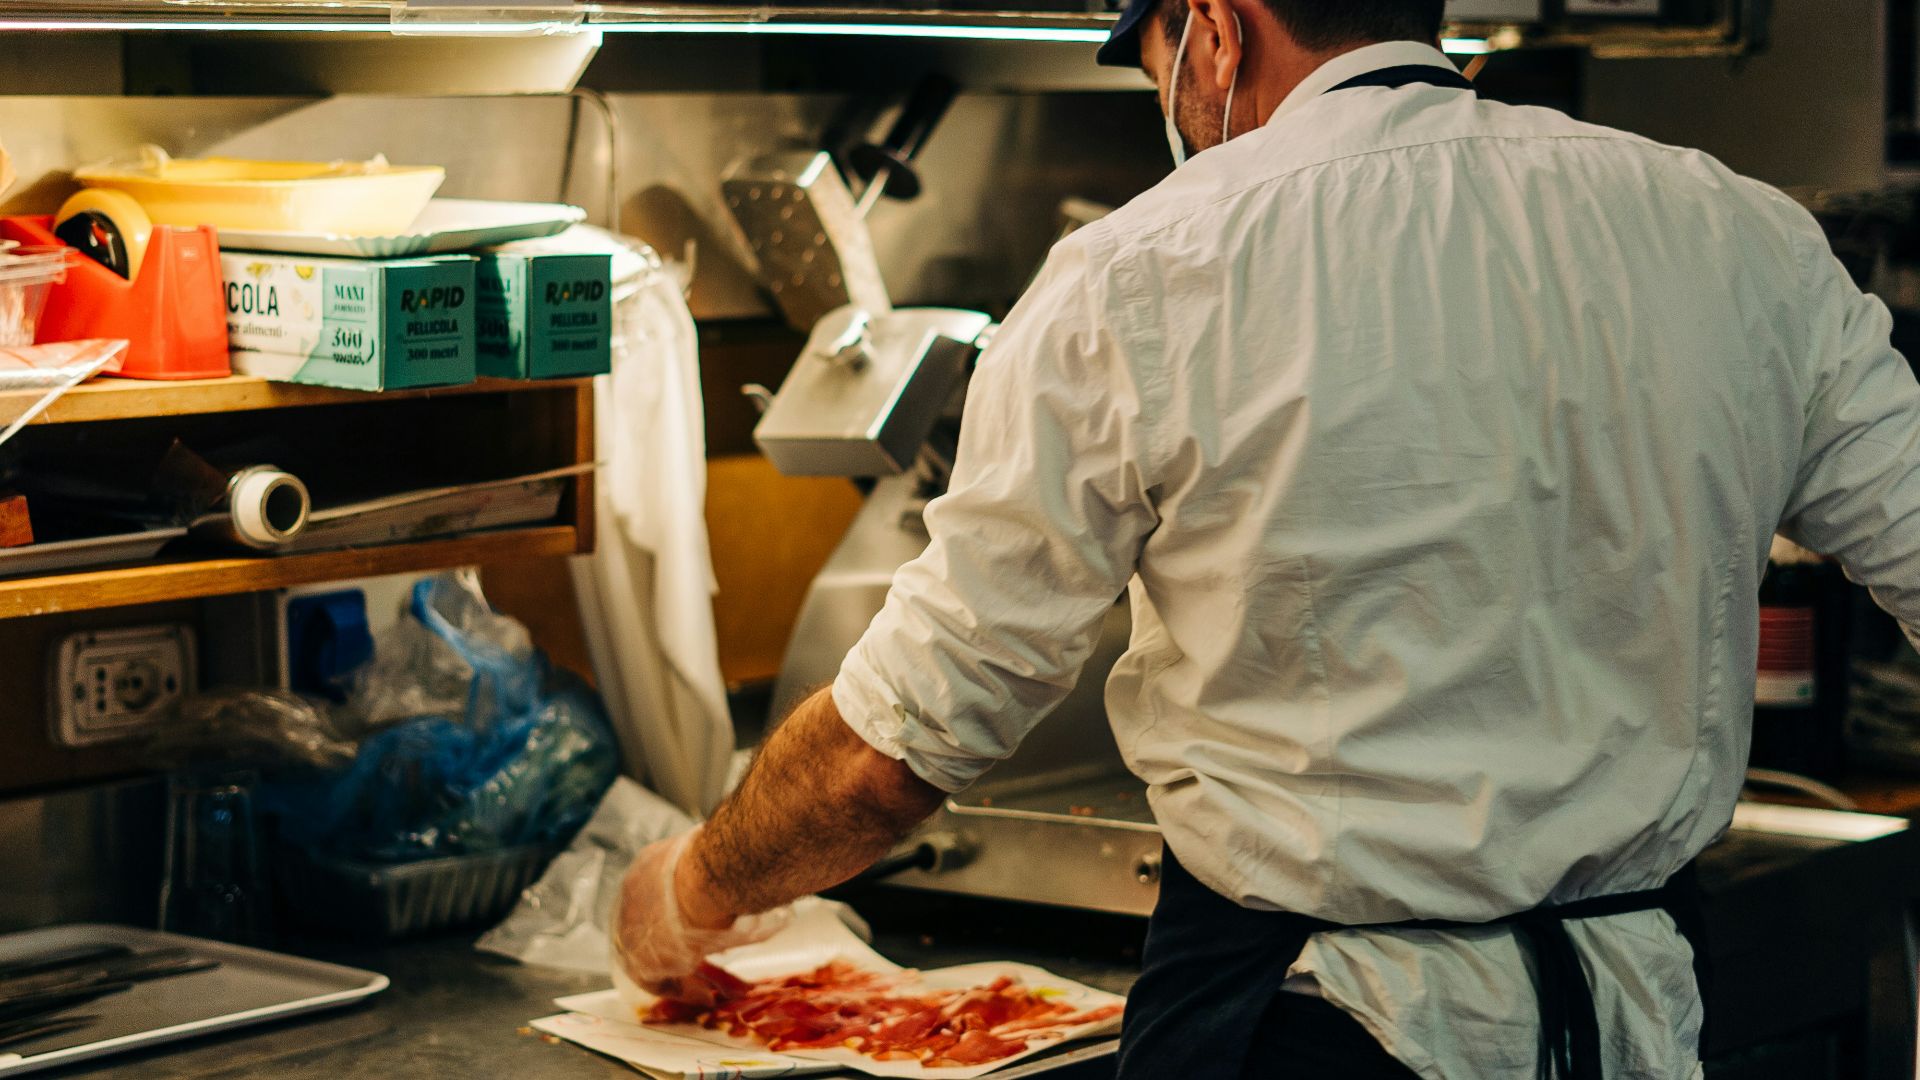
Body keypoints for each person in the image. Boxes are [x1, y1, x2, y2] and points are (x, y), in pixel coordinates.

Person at [613, 0, 1920, 1076]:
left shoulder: (1139, 272)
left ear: (1218, 35)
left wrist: (695, 884)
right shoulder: (1735, 235)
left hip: (1302, 1027)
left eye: (1158, 73)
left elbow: (893, 752)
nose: (1174, 115)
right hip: (1632, 1021)